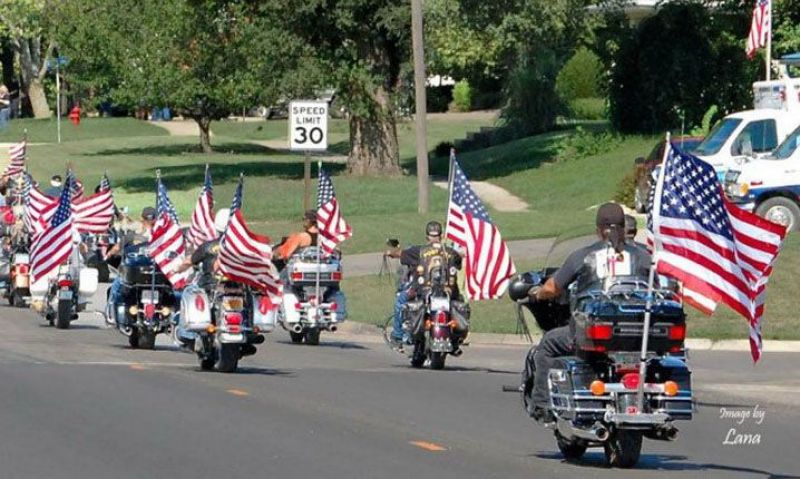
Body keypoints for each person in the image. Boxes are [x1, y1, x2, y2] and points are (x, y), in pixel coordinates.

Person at [525, 203, 651, 421]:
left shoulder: (584, 256)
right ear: (623, 228)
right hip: (637, 334)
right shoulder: (643, 257)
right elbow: (663, 286)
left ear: (598, 230)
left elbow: (553, 288)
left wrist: (537, 293)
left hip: (594, 333)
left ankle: (542, 406)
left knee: (548, 344)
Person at [390, 220, 462, 349]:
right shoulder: (451, 252)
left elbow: (400, 254)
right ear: (441, 235)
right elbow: (458, 263)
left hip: (422, 291)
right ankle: (456, 340)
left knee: (400, 302)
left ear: (427, 236)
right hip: (448, 293)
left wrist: (390, 253)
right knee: (460, 303)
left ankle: (397, 336)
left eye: (433, 235)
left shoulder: (419, 251)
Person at [104, 207, 157, 327]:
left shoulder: (134, 236)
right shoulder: (161, 237)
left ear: (142, 219)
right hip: (155, 276)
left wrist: (108, 255)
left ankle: (110, 315)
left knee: (115, 288)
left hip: (135, 276)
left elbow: (117, 248)